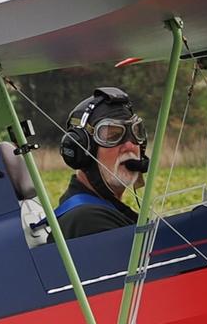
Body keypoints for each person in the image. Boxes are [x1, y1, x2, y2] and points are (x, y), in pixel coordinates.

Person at [54, 86, 148, 239]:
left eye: (136, 132)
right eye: (112, 135)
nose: (130, 146)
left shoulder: (109, 210)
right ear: (82, 150)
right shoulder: (86, 220)